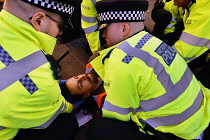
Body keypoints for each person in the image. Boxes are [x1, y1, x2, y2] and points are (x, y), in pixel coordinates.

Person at [82, 0, 210, 139]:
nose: (103, 35)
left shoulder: (121, 59)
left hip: (177, 133)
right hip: (199, 118)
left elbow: (116, 115)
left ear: (124, 28)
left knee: (100, 128)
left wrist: (97, 106)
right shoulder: (153, 41)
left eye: (105, 29)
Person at [0, 0, 82, 139]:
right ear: (39, 21)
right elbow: (57, 110)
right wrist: (74, 107)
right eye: (60, 25)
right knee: (67, 123)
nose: (60, 32)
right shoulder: (38, 81)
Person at [170, 0, 210, 89]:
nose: (175, 3)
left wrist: (159, 62)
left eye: (176, 0)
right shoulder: (193, 4)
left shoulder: (204, 11)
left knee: (201, 86)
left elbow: (185, 50)